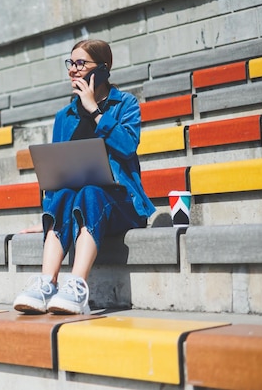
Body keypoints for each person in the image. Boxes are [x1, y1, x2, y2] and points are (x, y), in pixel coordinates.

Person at [13, 39, 156, 315]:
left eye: (80, 63)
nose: (73, 70)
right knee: (64, 194)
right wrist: (50, 218)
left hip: (121, 205)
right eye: (71, 63)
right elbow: (56, 176)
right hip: (77, 203)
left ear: (102, 69)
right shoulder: (64, 116)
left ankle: (77, 287)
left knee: (91, 191)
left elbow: (127, 146)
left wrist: (95, 111)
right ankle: (47, 284)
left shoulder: (125, 104)